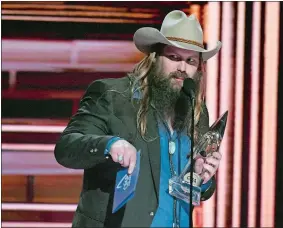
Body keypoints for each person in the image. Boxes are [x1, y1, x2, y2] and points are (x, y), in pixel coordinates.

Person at [54, 10, 222, 228]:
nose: (182, 68)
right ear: (154, 58)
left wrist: (204, 179)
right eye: (174, 58)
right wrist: (109, 145)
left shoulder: (196, 110)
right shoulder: (113, 96)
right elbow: (66, 148)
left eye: (191, 61)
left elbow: (196, 190)